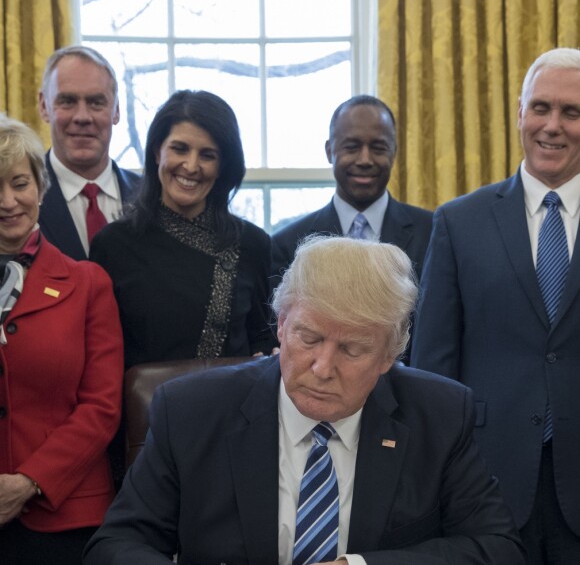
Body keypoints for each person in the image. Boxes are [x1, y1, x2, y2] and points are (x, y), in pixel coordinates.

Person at [83, 236, 524, 565]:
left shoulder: (439, 415)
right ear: (280, 325)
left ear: (390, 354)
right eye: (308, 338)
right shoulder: (192, 410)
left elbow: (496, 548)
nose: (322, 367)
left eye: (352, 349)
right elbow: (116, 545)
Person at [411, 47, 580, 563]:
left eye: (572, 112)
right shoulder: (459, 221)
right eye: (540, 108)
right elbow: (431, 367)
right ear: (519, 115)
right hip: (484, 478)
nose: (552, 126)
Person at [0, 115, 124, 564]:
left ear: (40, 187)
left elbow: (102, 407)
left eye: (19, 183)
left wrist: (29, 481)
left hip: (64, 513)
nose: (8, 201)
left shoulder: (87, 283)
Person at [90, 89, 274, 370]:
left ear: (223, 166)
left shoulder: (253, 244)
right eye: (180, 149)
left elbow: (264, 335)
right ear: (156, 152)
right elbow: (99, 353)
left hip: (231, 408)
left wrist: (266, 356)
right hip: (144, 410)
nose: (191, 166)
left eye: (207, 155)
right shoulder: (113, 245)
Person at [272, 95, 433, 284]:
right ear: (329, 151)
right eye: (351, 147)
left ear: (393, 153)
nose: (365, 160)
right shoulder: (287, 245)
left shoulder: (431, 233)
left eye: (378, 148)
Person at [38, 45, 140, 261]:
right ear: (43, 106)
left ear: (117, 110)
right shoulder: (17, 202)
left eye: (96, 102)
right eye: (67, 101)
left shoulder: (153, 198)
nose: (82, 117)